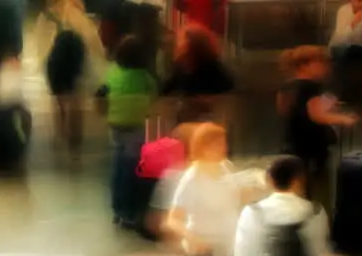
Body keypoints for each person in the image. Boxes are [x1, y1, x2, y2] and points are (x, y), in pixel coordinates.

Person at [165, 123, 243, 256]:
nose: (223, 148)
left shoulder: (226, 167)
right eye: (217, 144)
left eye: (223, 143)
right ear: (202, 148)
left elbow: (233, 198)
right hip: (203, 255)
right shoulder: (192, 179)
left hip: (227, 249)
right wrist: (193, 238)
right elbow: (173, 219)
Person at [277, 46, 358, 215]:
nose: (324, 67)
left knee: (296, 193)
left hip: (291, 146)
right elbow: (316, 115)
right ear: (305, 65)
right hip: (313, 150)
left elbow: (292, 111)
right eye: (320, 63)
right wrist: (344, 119)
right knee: (318, 197)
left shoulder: (286, 87)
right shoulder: (310, 87)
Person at [100, 35, 157, 229]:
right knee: (131, 166)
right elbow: (155, 95)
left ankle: (117, 209)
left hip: (116, 124)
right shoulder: (144, 76)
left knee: (118, 163)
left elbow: (101, 92)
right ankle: (128, 211)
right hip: (136, 125)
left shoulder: (112, 72)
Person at [35, 0, 96, 157]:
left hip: (54, 63)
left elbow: (41, 42)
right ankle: (75, 138)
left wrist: (44, 60)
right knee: (76, 99)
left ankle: (60, 132)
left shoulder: (47, 16)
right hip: (75, 62)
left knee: (59, 100)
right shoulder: (78, 16)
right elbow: (92, 41)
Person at [159, 23, 234, 124]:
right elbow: (164, 93)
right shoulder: (179, 68)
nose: (179, 46)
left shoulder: (214, 68)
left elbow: (229, 96)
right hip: (185, 124)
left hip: (209, 124)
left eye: (183, 42)